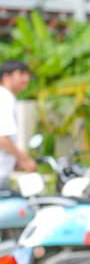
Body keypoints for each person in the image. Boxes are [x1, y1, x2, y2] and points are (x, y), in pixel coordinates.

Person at [0, 60, 35, 190]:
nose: (26, 78)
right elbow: (2, 137)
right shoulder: (4, 98)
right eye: (21, 74)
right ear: (6, 77)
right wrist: (25, 160)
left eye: (27, 74)